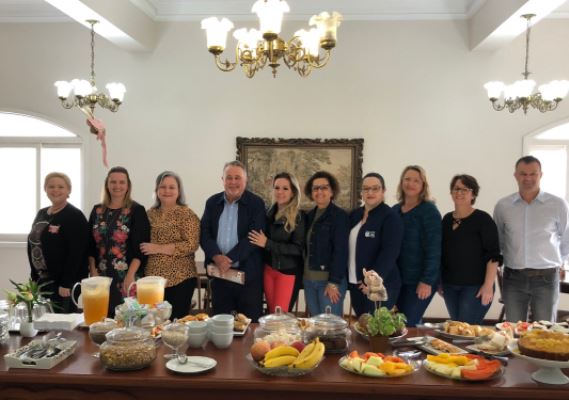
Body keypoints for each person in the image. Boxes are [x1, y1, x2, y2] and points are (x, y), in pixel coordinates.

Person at [494, 156, 569, 322]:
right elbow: (499, 240)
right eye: (523, 174)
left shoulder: (557, 205)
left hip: (546, 278)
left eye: (533, 174)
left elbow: (566, 239)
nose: (528, 178)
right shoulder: (503, 206)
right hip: (513, 278)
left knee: (544, 330)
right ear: (515, 175)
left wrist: (559, 262)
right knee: (513, 329)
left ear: (540, 175)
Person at [200, 161, 266, 321]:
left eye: (238, 178)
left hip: (248, 278)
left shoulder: (256, 203)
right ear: (222, 179)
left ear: (246, 180)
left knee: (250, 325)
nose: (233, 182)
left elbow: (254, 237)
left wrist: (228, 259)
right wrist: (217, 257)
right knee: (222, 324)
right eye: (229, 177)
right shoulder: (212, 202)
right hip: (220, 276)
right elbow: (204, 233)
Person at [88, 166, 151, 316]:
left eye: (122, 182)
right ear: (107, 184)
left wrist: (130, 276)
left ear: (128, 186)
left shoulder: (137, 210)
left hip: (127, 276)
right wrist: (93, 271)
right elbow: (89, 244)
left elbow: (140, 248)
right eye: (113, 182)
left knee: (128, 320)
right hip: (101, 277)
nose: (117, 186)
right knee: (102, 321)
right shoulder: (97, 210)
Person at [440, 174, 501, 324]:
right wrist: (439, 281)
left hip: (476, 286)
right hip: (450, 286)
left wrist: (488, 286)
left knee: (466, 329)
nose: (459, 193)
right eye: (456, 189)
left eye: (465, 189)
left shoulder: (483, 219)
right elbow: (442, 253)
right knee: (457, 328)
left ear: (473, 194)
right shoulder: (446, 219)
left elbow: (493, 255)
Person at [140, 171, 200, 319]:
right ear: (156, 190)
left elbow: (191, 244)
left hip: (180, 279)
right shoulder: (149, 214)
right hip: (152, 281)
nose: (167, 190)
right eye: (163, 187)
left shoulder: (187, 214)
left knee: (175, 324)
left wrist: (157, 248)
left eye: (172, 187)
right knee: (153, 323)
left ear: (179, 191)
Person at [27, 172, 88, 313]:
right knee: (44, 321)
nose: (55, 190)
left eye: (61, 187)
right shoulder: (41, 213)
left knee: (62, 323)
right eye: (51, 186)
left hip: (63, 284)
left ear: (69, 190)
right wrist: (34, 277)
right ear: (45, 189)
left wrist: (66, 283)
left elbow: (77, 253)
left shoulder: (74, 216)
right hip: (42, 280)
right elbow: (34, 244)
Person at [249, 172, 306, 313]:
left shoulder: (299, 217)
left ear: (293, 192)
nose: (280, 192)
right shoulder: (268, 213)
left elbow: (298, 249)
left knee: (280, 317)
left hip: (287, 273)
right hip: (268, 270)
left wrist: (267, 243)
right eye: (277, 188)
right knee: (271, 315)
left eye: (285, 188)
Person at [348, 172, 403, 317]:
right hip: (356, 284)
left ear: (383, 191)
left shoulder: (391, 217)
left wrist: (371, 283)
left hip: (380, 285)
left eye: (375, 188)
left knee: (375, 327)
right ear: (361, 192)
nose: (370, 192)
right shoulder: (354, 215)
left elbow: (389, 253)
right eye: (366, 189)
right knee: (363, 324)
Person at [393, 165, 442, 327]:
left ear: (423, 185)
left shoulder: (429, 211)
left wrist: (427, 281)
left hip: (419, 281)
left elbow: (434, 249)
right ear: (401, 182)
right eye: (407, 179)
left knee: (407, 323)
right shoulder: (395, 210)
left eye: (416, 180)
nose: (411, 183)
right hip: (398, 280)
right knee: (399, 324)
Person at [303, 171, 349, 317]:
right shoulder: (309, 216)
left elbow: (341, 251)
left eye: (324, 187)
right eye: (315, 188)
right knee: (315, 325)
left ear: (332, 191)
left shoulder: (340, 216)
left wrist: (333, 282)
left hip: (329, 282)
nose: (319, 191)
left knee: (331, 326)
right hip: (309, 281)